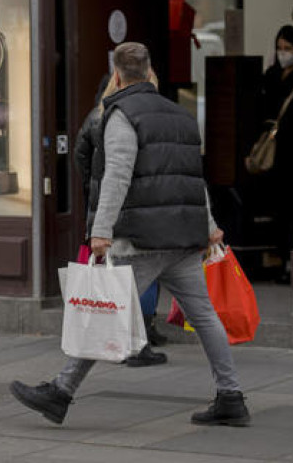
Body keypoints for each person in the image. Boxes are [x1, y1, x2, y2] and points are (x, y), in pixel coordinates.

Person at [11, 42, 250, 428]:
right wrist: (208, 228)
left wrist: (101, 231)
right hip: (183, 237)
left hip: (143, 238)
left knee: (104, 309)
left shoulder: (121, 115)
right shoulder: (181, 115)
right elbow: (193, 179)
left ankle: (61, 391)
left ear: (117, 75)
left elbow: (117, 176)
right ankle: (231, 396)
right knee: (204, 316)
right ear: (150, 72)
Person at [74, 72, 168, 368]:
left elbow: (82, 159)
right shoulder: (132, 118)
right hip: (133, 209)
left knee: (114, 277)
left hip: (103, 206)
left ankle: (111, 339)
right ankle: (138, 340)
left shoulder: (94, 117)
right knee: (138, 277)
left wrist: (93, 189)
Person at [255, 25, 293, 275]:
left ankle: (292, 259)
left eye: (288, 48)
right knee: (277, 208)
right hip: (275, 151)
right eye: (279, 48)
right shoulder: (271, 76)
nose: (282, 53)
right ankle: (280, 257)